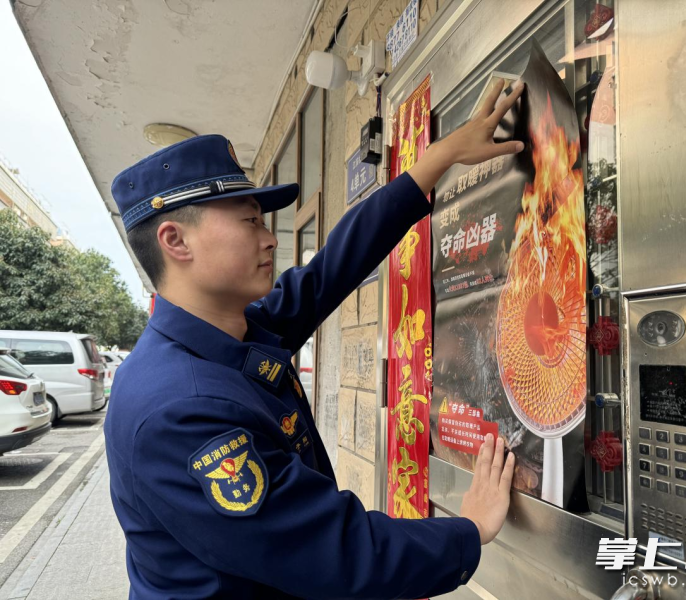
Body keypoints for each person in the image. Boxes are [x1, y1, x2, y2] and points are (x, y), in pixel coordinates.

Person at [105, 79, 525, 599]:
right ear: (176, 241)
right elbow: (336, 553)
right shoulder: (178, 409)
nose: (269, 238)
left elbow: (333, 267)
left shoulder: (235, 331)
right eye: (250, 221)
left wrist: (439, 158)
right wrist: (470, 530)